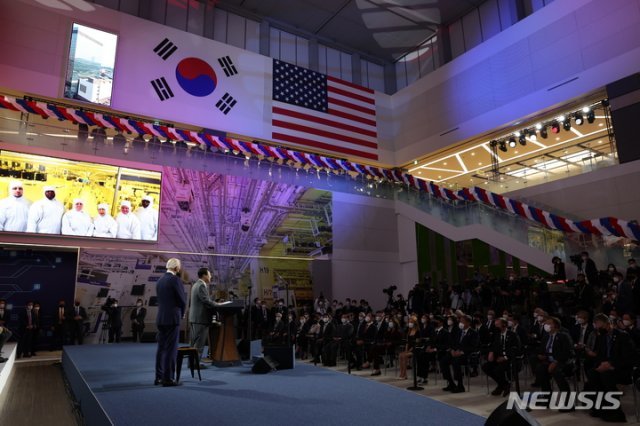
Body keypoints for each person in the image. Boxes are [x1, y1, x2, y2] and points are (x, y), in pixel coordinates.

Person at [584, 313, 635, 422]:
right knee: (592, 373)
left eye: (601, 326)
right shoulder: (602, 337)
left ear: (608, 323)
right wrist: (600, 365)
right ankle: (600, 408)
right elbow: (600, 355)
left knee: (606, 376)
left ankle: (615, 412)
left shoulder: (622, 336)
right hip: (606, 367)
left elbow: (628, 357)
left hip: (621, 369)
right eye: (598, 328)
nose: (599, 330)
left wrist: (611, 364)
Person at [155, 258, 186, 387]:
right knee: (171, 349)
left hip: (161, 318)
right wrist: (182, 313)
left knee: (161, 348)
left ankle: (159, 377)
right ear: (177, 268)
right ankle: (168, 379)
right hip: (172, 319)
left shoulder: (160, 280)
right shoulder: (175, 280)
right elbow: (182, 300)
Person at [534, 316, 575, 412]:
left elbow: (567, 353)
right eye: (546, 323)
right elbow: (542, 350)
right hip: (549, 360)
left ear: (556, 326)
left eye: (549, 323)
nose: (546, 325)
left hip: (563, 362)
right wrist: (541, 355)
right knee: (540, 369)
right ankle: (547, 399)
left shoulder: (563, 336)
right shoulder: (546, 336)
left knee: (557, 372)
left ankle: (568, 403)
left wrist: (556, 362)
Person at [482, 317, 521, 397]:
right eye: (495, 325)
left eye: (498, 325)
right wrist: (491, 352)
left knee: (498, 370)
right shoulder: (496, 335)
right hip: (498, 357)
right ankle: (504, 384)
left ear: (504, 325)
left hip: (509, 359)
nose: (496, 327)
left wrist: (505, 357)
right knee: (486, 367)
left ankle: (501, 386)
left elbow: (516, 349)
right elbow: (493, 346)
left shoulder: (512, 335)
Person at [441, 315, 479, 392]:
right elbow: (453, 343)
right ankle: (451, 383)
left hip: (466, 355)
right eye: (460, 321)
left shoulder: (473, 333)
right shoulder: (458, 331)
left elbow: (473, 347)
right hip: (455, 352)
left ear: (468, 323)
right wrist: (452, 350)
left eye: (462, 321)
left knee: (455, 361)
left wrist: (461, 352)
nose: (460, 323)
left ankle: (460, 385)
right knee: (443, 361)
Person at [189, 268, 218, 363]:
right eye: (209, 274)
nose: (210, 276)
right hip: (200, 318)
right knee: (199, 343)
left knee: (194, 342)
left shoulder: (195, 284)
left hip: (195, 318)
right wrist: (218, 304)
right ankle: (195, 364)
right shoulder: (201, 285)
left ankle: (192, 363)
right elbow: (205, 300)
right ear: (204, 275)